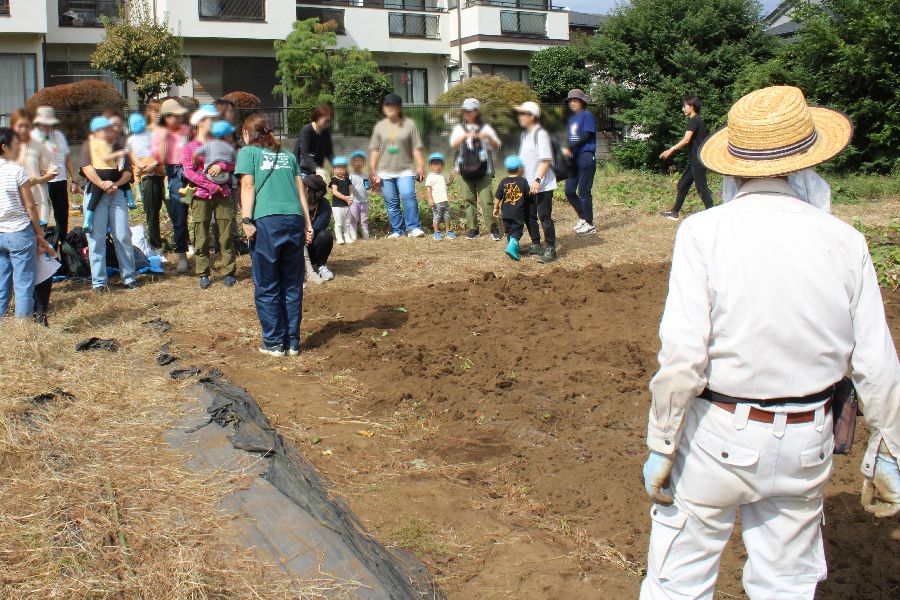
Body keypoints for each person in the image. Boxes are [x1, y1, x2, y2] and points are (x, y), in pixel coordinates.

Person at [640, 86, 900, 599]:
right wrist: (891, 444)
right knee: (786, 583)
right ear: (808, 164)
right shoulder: (845, 240)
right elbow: (876, 359)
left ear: (733, 167)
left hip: (719, 436)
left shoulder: (703, 232)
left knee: (679, 579)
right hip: (808, 440)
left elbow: (683, 357)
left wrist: (661, 442)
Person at [235, 113, 314, 356]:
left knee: (267, 283)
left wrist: (247, 219)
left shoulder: (248, 153)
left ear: (248, 134)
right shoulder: (288, 156)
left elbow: (247, 186)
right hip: (294, 220)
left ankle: (273, 342)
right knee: (292, 283)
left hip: (268, 221)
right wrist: (308, 224)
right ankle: (292, 342)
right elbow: (302, 192)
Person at [80, 116, 138, 292]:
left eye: (112, 128)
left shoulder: (120, 147)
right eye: (106, 129)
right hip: (96, 194)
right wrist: (102, 183)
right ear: (96, 132)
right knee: (96, 239)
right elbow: (86, 168)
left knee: (122, 235)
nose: (111, 131)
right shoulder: (88, 145)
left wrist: (115, 184)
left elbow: (128, 171)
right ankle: (99, 282)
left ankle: (129, 277)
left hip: (117, 195)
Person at [0, 127, 53, 319]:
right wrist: (39, 232)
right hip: (19, 233)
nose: (18, 148)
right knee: (23, 283)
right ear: (4, 147)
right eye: (15, 145)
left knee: (2, 281)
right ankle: (23, 327)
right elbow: (30, 205)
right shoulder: (17, 171)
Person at [182, 106, 236, 289]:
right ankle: (203, 272)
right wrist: (211, 185)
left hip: (224, 194)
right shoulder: (189, 147)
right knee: (201, 235)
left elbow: (232, 162)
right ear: (199, 122)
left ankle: (228, 271)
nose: (212, 122)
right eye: (209, 119)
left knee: (226, 233)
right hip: (200, 195)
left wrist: (221, 165)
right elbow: (188, 172)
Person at [369, 93, 426, 239]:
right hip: (384, 171)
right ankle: (397, 230)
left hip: (405, 169)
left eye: (392, 105)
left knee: (408, 196)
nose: (389, 108)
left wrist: (420, 165)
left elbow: (416, 148)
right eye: (386, 105)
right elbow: (374, 150)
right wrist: (372, 169)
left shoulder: (410, 124)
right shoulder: (379, 127)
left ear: (399, 107)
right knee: (391, 202)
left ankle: (413, 227)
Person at [449, 98, 502, 241]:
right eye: (464, 110)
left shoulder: (486, 128)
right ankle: (473, 228)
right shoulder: (459, 128)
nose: (466, 113)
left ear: (477, 111)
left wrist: (487, 138)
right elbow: (453, 145)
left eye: (469, 110)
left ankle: (493, 227)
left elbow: (497, 146)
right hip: (464, 169)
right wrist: (465, 136)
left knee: (486, 200)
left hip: (484, 169)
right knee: (468, 200)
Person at [515, 101, 557, 264]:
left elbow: (546, 160)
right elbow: (523, 160)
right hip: (528, 183)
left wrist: (537, 180)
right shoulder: (525, 134)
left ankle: (551, 248)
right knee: (529, 215)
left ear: (532, 116)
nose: (519, 116)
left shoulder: (540, 134)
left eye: (523, 113)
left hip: (543, 183)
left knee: (544, 216)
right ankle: (536, 244)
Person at [659, 95, 714, 220]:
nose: (683, 109)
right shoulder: (698, 120)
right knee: (683, 184)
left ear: (692, 107)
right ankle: (674, 212)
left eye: (684, 106)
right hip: (695, 160)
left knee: (702, 188)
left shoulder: (694, 120)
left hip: (698, 160)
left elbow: (686, 139)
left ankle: (712, 213)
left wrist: (671, 149)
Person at [153, 98, 191, 272]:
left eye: (180, 115)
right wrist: (163, 136)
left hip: (193, 171)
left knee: (199, 213)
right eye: (174, 116)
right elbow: (159, 158)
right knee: (179, 216)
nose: (179, 119)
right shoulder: (159, 134)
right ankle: (182, 255)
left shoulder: (187, 130)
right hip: (175, 174)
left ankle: (198, 248)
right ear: (166, 117)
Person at [31, 106, 78, 242]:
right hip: (41, 182)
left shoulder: (58, 135)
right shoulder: (32, 137)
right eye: (46, 123)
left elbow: (67, 158)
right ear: (39, 122)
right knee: (42, 215)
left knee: (62, 215)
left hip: (60, 179)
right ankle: (42, 243)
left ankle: (63, 245)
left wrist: (74, 180)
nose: (48, 126)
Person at [11, 110, 57, 225]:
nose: (23, 130)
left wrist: (37, 180)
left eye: (26, 126)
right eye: (20, 126)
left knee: (38, 237)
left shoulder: (39, 146)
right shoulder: (6, 146)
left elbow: (53, 171)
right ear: (12, 126)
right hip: (12, 202)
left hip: (36, 199)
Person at [561, 89, 597, 235]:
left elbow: (586, 135)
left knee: (584, 191)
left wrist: (570, 147)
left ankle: (590, 223)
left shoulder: (587, 115)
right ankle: (582, 217)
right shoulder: (571, 119)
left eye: (575, 100)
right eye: (570, 100)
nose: (572, 103)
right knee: (569, 190)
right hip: (573, 157)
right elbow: (570, 138)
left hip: (586, 155)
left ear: (582, 102)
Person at [137, 101, 167, 252]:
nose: (158, 114)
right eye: (155, 111)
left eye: (160, 111)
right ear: (149, 113)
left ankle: (183, 243)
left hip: (166, 175)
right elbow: (135, 153)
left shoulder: (167, 131)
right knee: (152, 213)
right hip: (148, 176)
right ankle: (156, 245)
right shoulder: (142, 132)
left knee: (176, 210)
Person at [492, 155, 529, 262]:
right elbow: (528, 196)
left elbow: (498, 197)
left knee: (509, 231)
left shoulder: (503, 181)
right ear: (520, 168)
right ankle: (512, 247)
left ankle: (513, 248)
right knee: (517, 231)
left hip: (506, 212)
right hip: (518, 212)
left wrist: (496, 208)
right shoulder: (523, 181)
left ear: (506, 169)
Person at [303, 174, 335, 282]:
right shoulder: (296, 201)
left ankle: (321, 266)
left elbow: (319, 226)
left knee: (325, 236)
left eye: (305, 187)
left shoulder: (324, 205)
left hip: (311, 243)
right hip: (297, 245)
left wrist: (308, 234)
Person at [294, 105, 334, 177]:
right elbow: (304, 153)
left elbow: (329, 153)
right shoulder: (306, 130)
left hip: (318, 168)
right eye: (326, 121)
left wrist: (335, 166)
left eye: (329, 121)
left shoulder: (326, 132)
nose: (328, 124)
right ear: (318, 118)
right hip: (302, 169)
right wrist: (316, 168)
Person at [425, 152, 456, 241]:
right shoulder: (430, 177)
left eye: (439, 164)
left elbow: (449, 184)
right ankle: (436, 232)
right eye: (434, 164)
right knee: (437, 217)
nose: (437, 167)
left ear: (442, 165)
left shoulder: (443, 175)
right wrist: (430, 199)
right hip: (436, 202)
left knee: (447, 216)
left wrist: (452, 177)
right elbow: (428, 189)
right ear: (430, 166)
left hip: (445, 201)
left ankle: (448, 231)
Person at [329, 156, 354, 245]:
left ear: (346, 169)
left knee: (347, 222)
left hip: (346, 205)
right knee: (339, 222)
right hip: (337, 205)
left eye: (343, 168)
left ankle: (347, 236)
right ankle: (339, 237)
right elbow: (334, 191)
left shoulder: (347, 180)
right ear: (334, 169)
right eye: (338, 168)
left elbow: (351, 190)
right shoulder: (334, 180)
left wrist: (351, 198)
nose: (340, 170)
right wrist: (345, 198)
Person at [348, 151, 370, 240]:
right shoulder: (350, 176)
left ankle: (366, 236)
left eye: (361, 161)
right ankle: (353, 237)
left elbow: (367, 186)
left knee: (364, 219)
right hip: (354, 201)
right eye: (356, 161)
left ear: (364, 163)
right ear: (352, 163)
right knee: (353, 219)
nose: (358, 163)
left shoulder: (365, 175)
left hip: (364, 201)